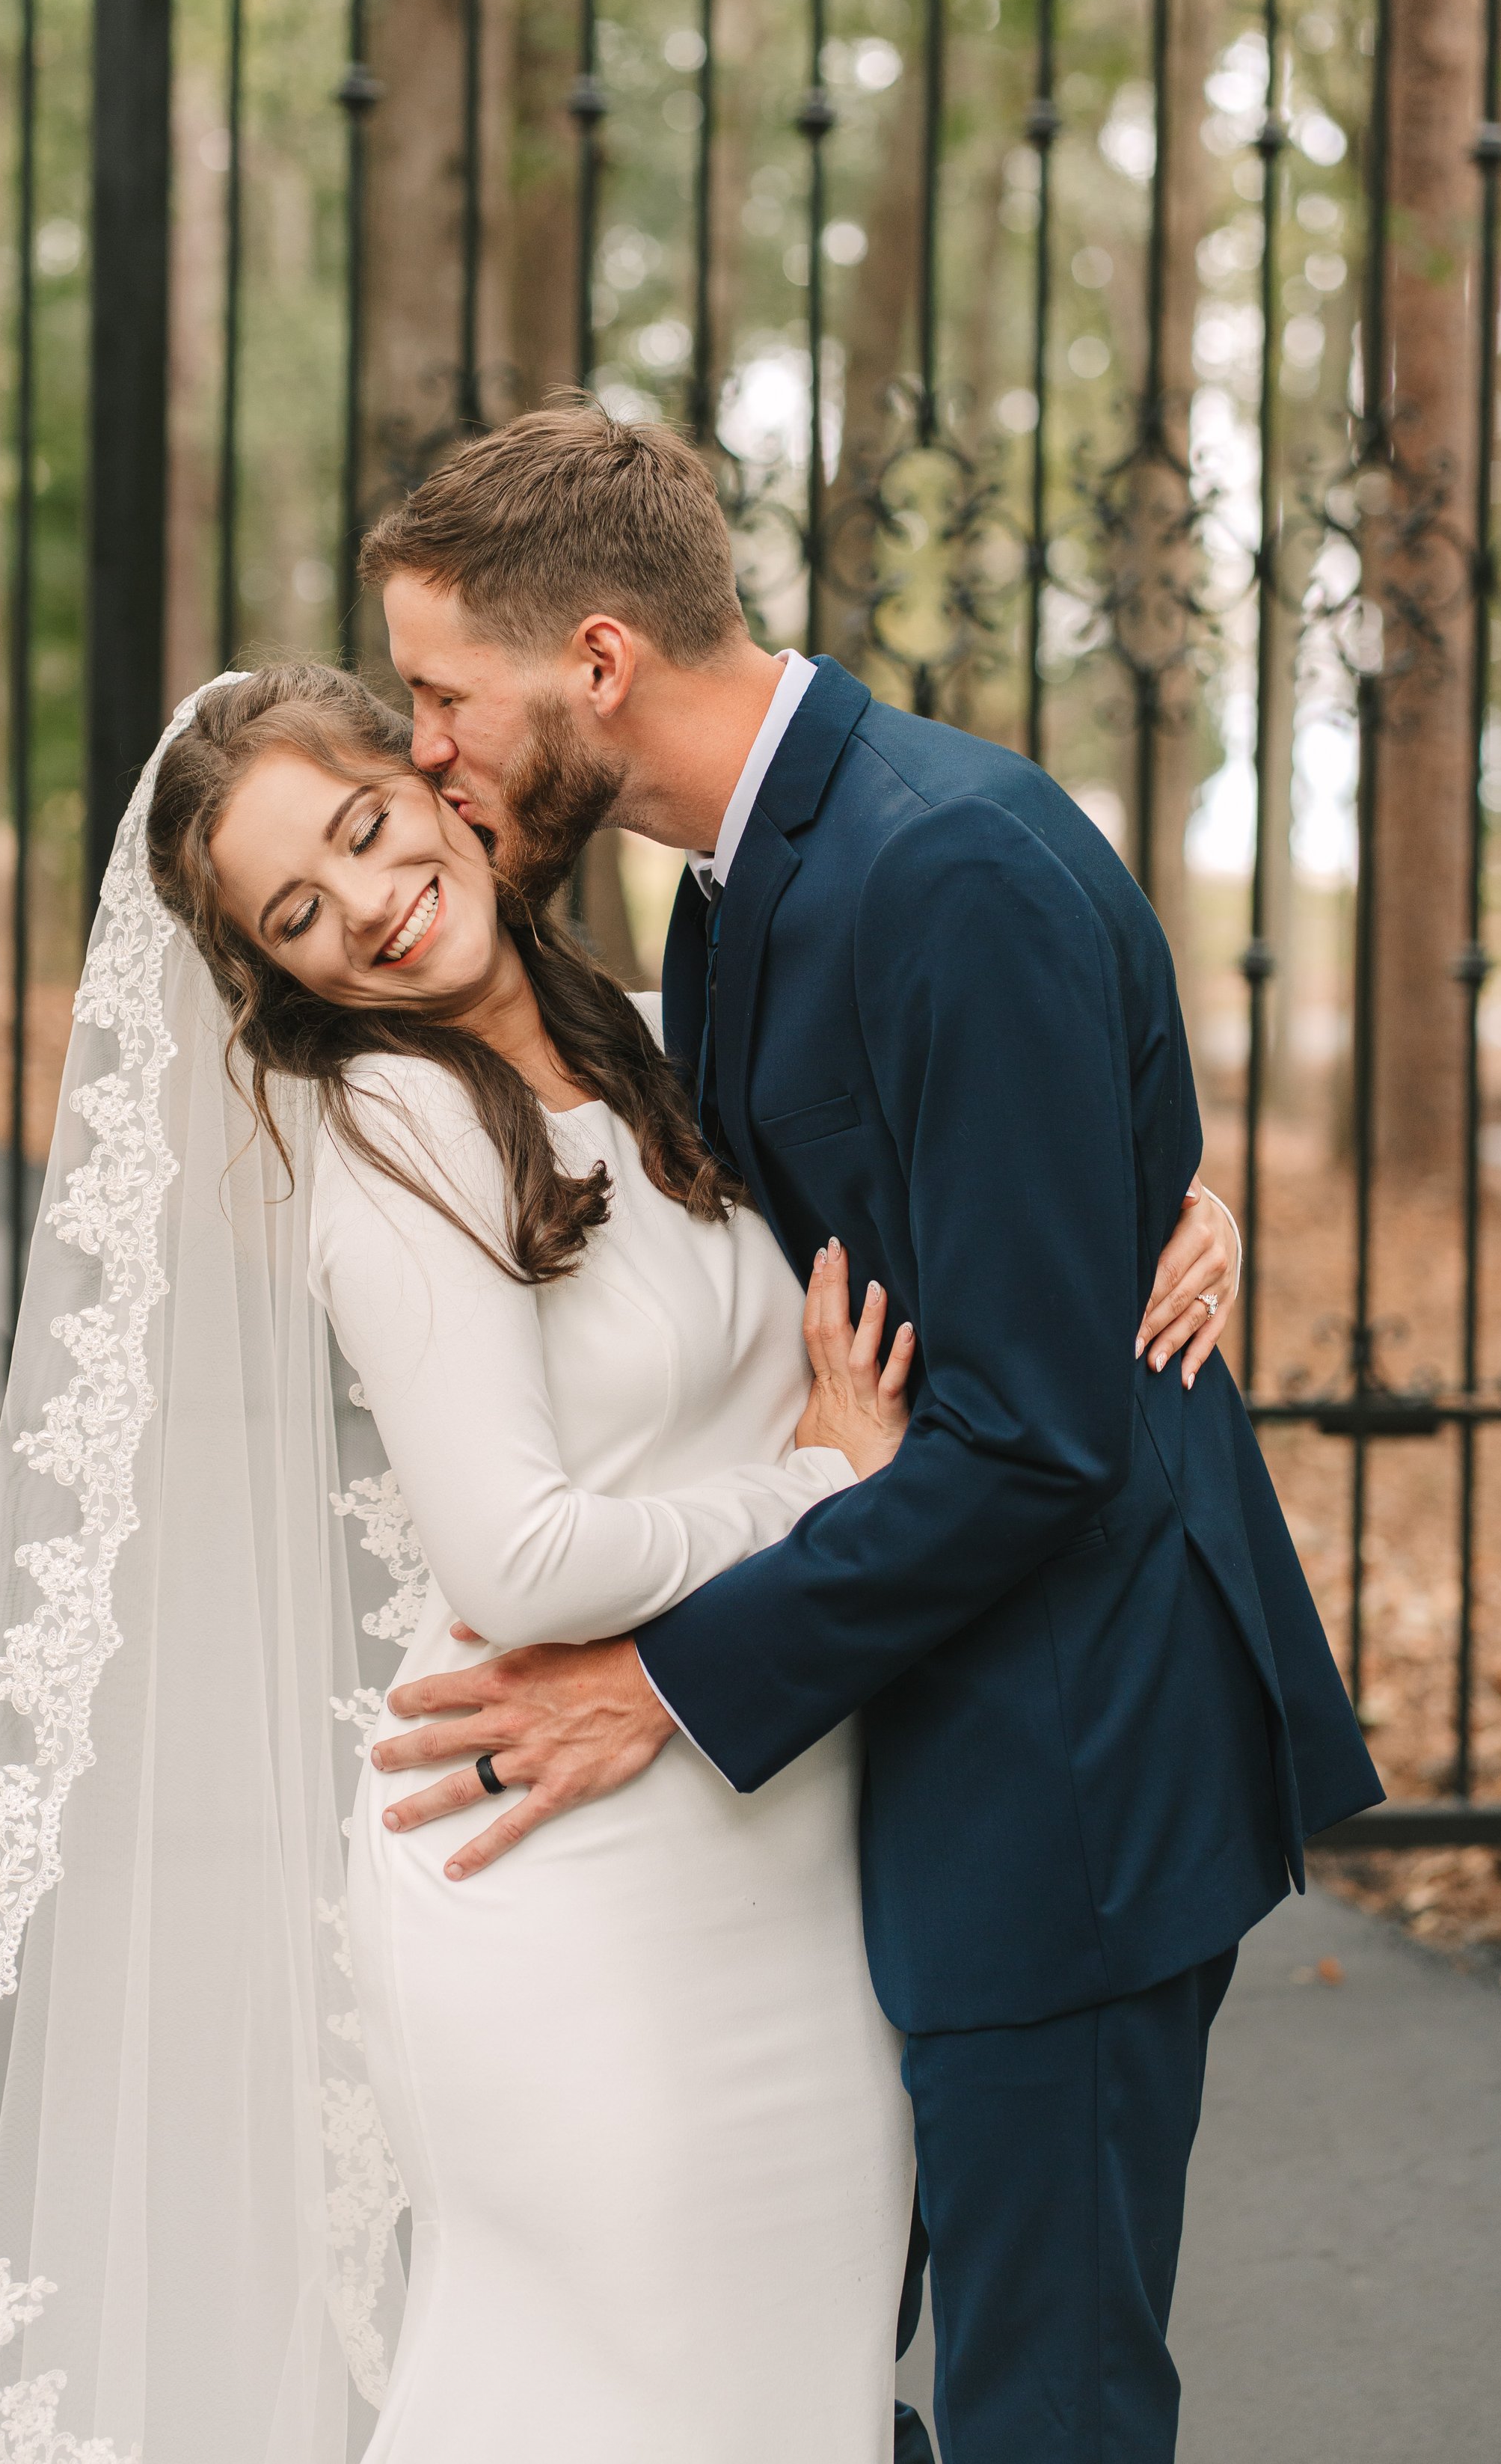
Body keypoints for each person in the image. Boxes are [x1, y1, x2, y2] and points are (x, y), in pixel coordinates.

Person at [0, 659, 1227, 2464]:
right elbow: (523, 1562)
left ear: (437, 779)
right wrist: (812, 1488)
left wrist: (1173, 1193)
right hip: (570, 1872)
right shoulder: (387, 1129)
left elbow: (956, 1150)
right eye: (297, 914)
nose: (370, 911)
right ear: (270, 974)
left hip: (774, 1858)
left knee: (788, 2392)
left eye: (366, 830)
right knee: (616, 2393)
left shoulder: (669, 1025)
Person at [357, 401, 1385, 2464]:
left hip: (1065, 1756)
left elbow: (1029, 1438)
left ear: (593, 661)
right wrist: (1156, 1182)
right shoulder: (734, 889)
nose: (425, 751)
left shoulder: (945, 867)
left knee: (1043, 2402)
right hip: (902, 1731)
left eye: (438, 695)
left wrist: (661, 1674)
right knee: (818, 2368)